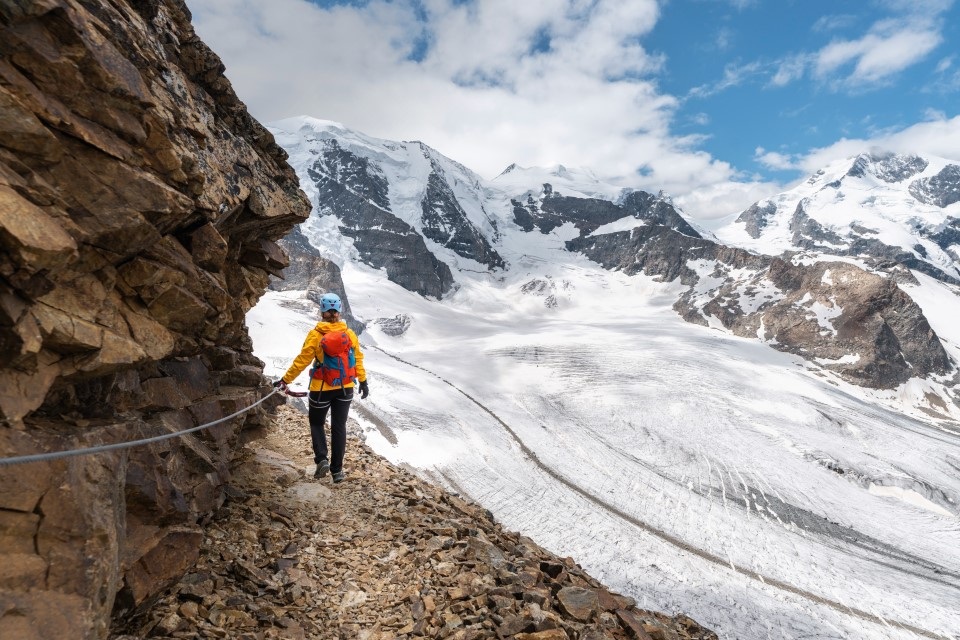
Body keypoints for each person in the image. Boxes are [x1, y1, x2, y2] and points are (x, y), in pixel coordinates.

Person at [274, 292, 368, 483]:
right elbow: (357, 359)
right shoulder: (349, 334)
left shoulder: (316, 334)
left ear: (322, 310)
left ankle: (321, 459)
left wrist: (285, 380)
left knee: (317, 423)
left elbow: (303, 360)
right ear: (339, 310)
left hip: (321, 388)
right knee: (339, 426)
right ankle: (337, 471)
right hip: (345, 387)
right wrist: (363, 381)